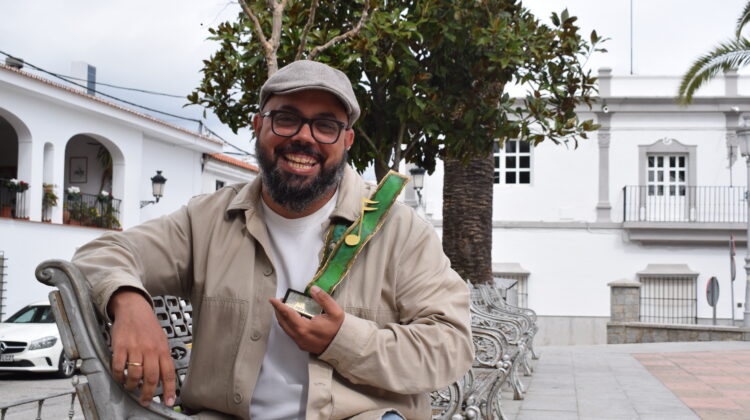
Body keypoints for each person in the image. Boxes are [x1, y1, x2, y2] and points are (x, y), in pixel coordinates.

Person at [72, 60, 473, 420]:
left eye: (326, 125)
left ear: (347, 140)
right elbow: (100, 254)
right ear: (258, 125)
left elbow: (451, 347)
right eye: (286, 118)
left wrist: (342, 340)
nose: (304, 137)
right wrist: (129, 301)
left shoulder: (399, 230)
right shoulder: (206, 219)